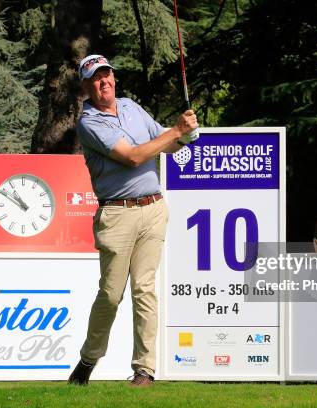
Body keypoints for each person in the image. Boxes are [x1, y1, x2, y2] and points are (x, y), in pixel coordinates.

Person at [68, 54, 198, 387]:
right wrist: (175, 132)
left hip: (153, 209)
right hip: (116, 214)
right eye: (96, 77)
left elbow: (166, 144)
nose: (104, 81)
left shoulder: (131, 106)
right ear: (86, 86)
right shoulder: (89, 123)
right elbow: (134, 157)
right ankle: (89, 358)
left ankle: (145, 370)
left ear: (114, 77)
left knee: (145, 289)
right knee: (111, 295)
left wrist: (183, 135)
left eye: (107, 74)